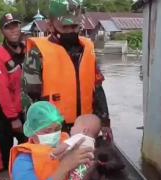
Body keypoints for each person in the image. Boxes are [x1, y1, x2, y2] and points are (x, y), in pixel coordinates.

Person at [22, 0, 112, 139]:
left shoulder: (88, 50)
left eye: (75, 26)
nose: (71, 31)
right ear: (50, 26)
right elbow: (30, 99)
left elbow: (97, 88)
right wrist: (41, 133)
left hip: (85, 128)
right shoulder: (37, 54)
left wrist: (105, 121)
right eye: (65, 27)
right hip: (53, 130)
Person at [0, 13, 28, 172]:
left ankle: (26, 177)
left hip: (26, 109)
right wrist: (13, 118)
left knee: (28, 147)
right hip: (6, 114)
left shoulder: (28, 48)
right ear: (2, 31)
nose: (13, 30)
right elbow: (2, 90)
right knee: (4, 149)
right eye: (8, 27)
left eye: (16, 25)